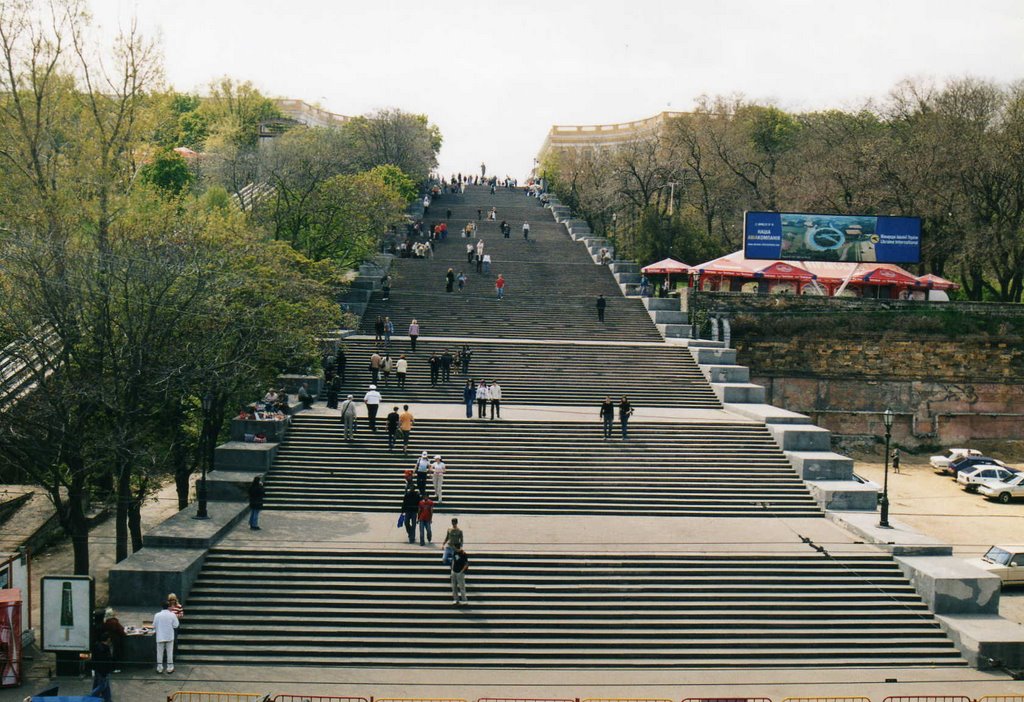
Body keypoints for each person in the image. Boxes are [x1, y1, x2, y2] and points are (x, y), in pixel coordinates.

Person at [153, 600, 179, 674]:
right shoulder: (172, 615)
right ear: (169, 607)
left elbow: (154, 625)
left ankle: (159, 668)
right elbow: (176, 625)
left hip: (160, 636)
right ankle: (170, 667)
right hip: (169, 636)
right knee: (169, 652)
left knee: (159, 653)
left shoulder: (157, 615)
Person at [89, 631, 115, 701]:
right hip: (104, 671)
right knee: (103, 686)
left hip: (97, 669)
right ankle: (90, 697)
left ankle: (108, 699)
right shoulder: (106, 649)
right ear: (108, 639)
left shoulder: (96, 646)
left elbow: (93, 658)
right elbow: (108, 660)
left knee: (104, 686)